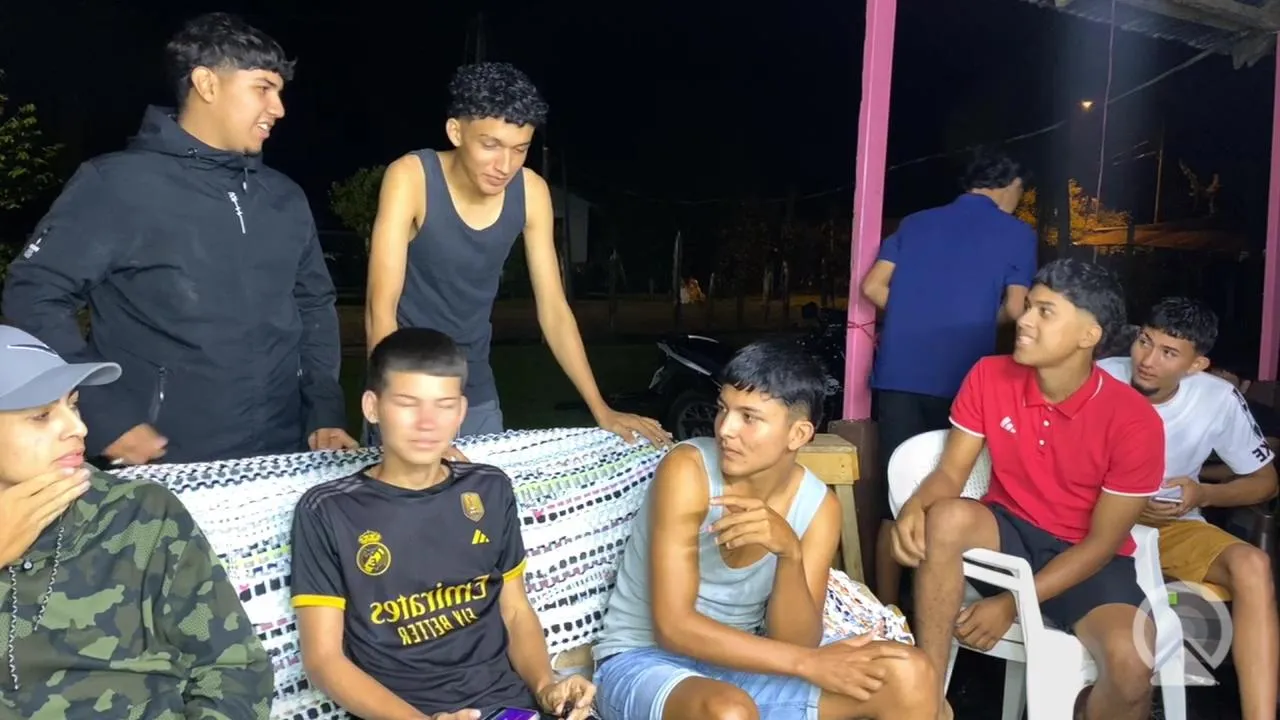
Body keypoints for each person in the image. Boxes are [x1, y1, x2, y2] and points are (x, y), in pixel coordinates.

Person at [1, 12, 355, 465]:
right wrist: (106, 415)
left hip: (282, 454)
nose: (278, 108)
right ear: (207, 84)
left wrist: (324, 411)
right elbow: (34, 293)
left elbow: (314, 305)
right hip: (162, 463)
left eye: (280, 92)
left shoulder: (284, 197)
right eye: (263, 88)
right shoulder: (117, 185)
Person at [593, 340, 938, 720]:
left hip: (748, 665)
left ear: (798, 434)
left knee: (910, 674)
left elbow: (797, 640)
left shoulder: (819, 508)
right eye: (723, 409)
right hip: (645, 661)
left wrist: (790, 554)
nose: (725, 429)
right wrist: (808, 664)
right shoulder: (688, 470)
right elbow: (673, 628)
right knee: (728, 712)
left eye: (749, 417)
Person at [893, 259, 1164, 720]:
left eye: (1045, 312)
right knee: (946, 517)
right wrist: (913, 509)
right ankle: (927, 699)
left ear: (1089, 335)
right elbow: (950, 475)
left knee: (1132, 668)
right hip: (1010, 535)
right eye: (1029, 307)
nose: (1024, 320)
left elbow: (1102, 544)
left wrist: (1014, 604)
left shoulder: (1135, 421)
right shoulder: (989, 375)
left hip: (1087, 560)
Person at [291, 328, 595, 720]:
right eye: (407, 403)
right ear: (372, 407)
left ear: (462, 412)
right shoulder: (329, 510)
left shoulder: (489, 489)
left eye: (444, 405)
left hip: (507, 706)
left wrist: (546, 687)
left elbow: (515, 610)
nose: (427, 423)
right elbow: (324, 660)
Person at [365, 61, 667, 448]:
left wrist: (601, 408)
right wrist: (403, 411)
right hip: (406, 389)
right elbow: (380, 310)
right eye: (490, 145)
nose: (504, 166)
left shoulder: (531, 192)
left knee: (483, 487)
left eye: (519, 149)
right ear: (456, 131)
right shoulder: (411, 177)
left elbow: (554, 309)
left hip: (475, 387)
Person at [0, 325, 273, 717]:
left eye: (73, 405)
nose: (79, 428)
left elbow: (235, 669)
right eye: (41, 416)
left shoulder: (139, 512)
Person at [861, 148, 1038, 606]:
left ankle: (886, 607)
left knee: (894, 492)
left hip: (899, 374)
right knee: (954, 494)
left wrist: (915, 316)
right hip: (964, 379)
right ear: (1010, 186)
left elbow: (872, 287)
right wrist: (973, 321)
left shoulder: (916, 223)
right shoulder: (1017, 233)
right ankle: (944, 603)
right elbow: (1015, 309)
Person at [1098, 297, 1279, 720]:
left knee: (1253, 566)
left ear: (1197, 365)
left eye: (1168, 352)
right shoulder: (1100, 379)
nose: (1147, 360)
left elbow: (1265, 481)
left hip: (1170, 525)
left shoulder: (1217, 398)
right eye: (1145, 341)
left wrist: (1202, 496)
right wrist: (1123, 499)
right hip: (1094, 521)